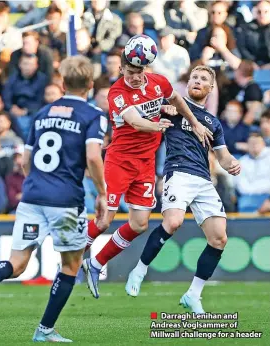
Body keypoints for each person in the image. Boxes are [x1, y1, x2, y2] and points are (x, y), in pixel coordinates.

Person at [0, 55, 108, 343]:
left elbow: (26, 161)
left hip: (33, 196)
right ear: (89, 83)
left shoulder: (42, 114)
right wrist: (102, 193)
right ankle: (44, 330)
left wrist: (37, 184)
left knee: (17, 262)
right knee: (70, 265)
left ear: (61, 82)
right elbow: (93, 157)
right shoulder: (93, 115)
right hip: (65, 200)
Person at [82, 52, 213, 299]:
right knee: (103, 221)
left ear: (146, 69)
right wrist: (157, 124)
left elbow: (176, 99)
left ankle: (96, 263)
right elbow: (134, 121)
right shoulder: (116, 93)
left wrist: (194, 122)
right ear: (121, 69)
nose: (134, 77)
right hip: (119, 162)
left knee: (139, 224)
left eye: (139, 72)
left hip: (145, 164)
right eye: (130, 72)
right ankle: (69, 260)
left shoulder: (157, 82)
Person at [125, 65, 241, 314]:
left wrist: (232, 164)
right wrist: (160, 109)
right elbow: (139, 115)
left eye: (203, 79)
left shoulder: (213, 122)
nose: (197, 81)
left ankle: (193, 294)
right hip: (178, 172)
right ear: (187, 84)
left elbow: (222, 156)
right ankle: (140, 270)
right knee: (174, 222)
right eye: (194, 78)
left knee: (219, 238)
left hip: (203, 179)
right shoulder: (175, 108)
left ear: (210, 88)